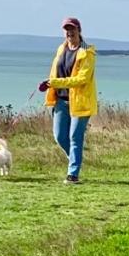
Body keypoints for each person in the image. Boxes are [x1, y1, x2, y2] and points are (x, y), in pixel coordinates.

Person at [39, 17, 98, 184]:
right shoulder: (61, 49)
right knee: (59, 136)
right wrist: (48, 84)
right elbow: (55, 72)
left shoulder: (87, 53)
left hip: (80, 102)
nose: (69, 32)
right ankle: (75, 159)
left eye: (72, 29)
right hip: (60, 100)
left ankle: (73, 174)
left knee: (74, 137)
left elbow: (81, 79)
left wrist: (55, 82)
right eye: (66, 29)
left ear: (79, 30)